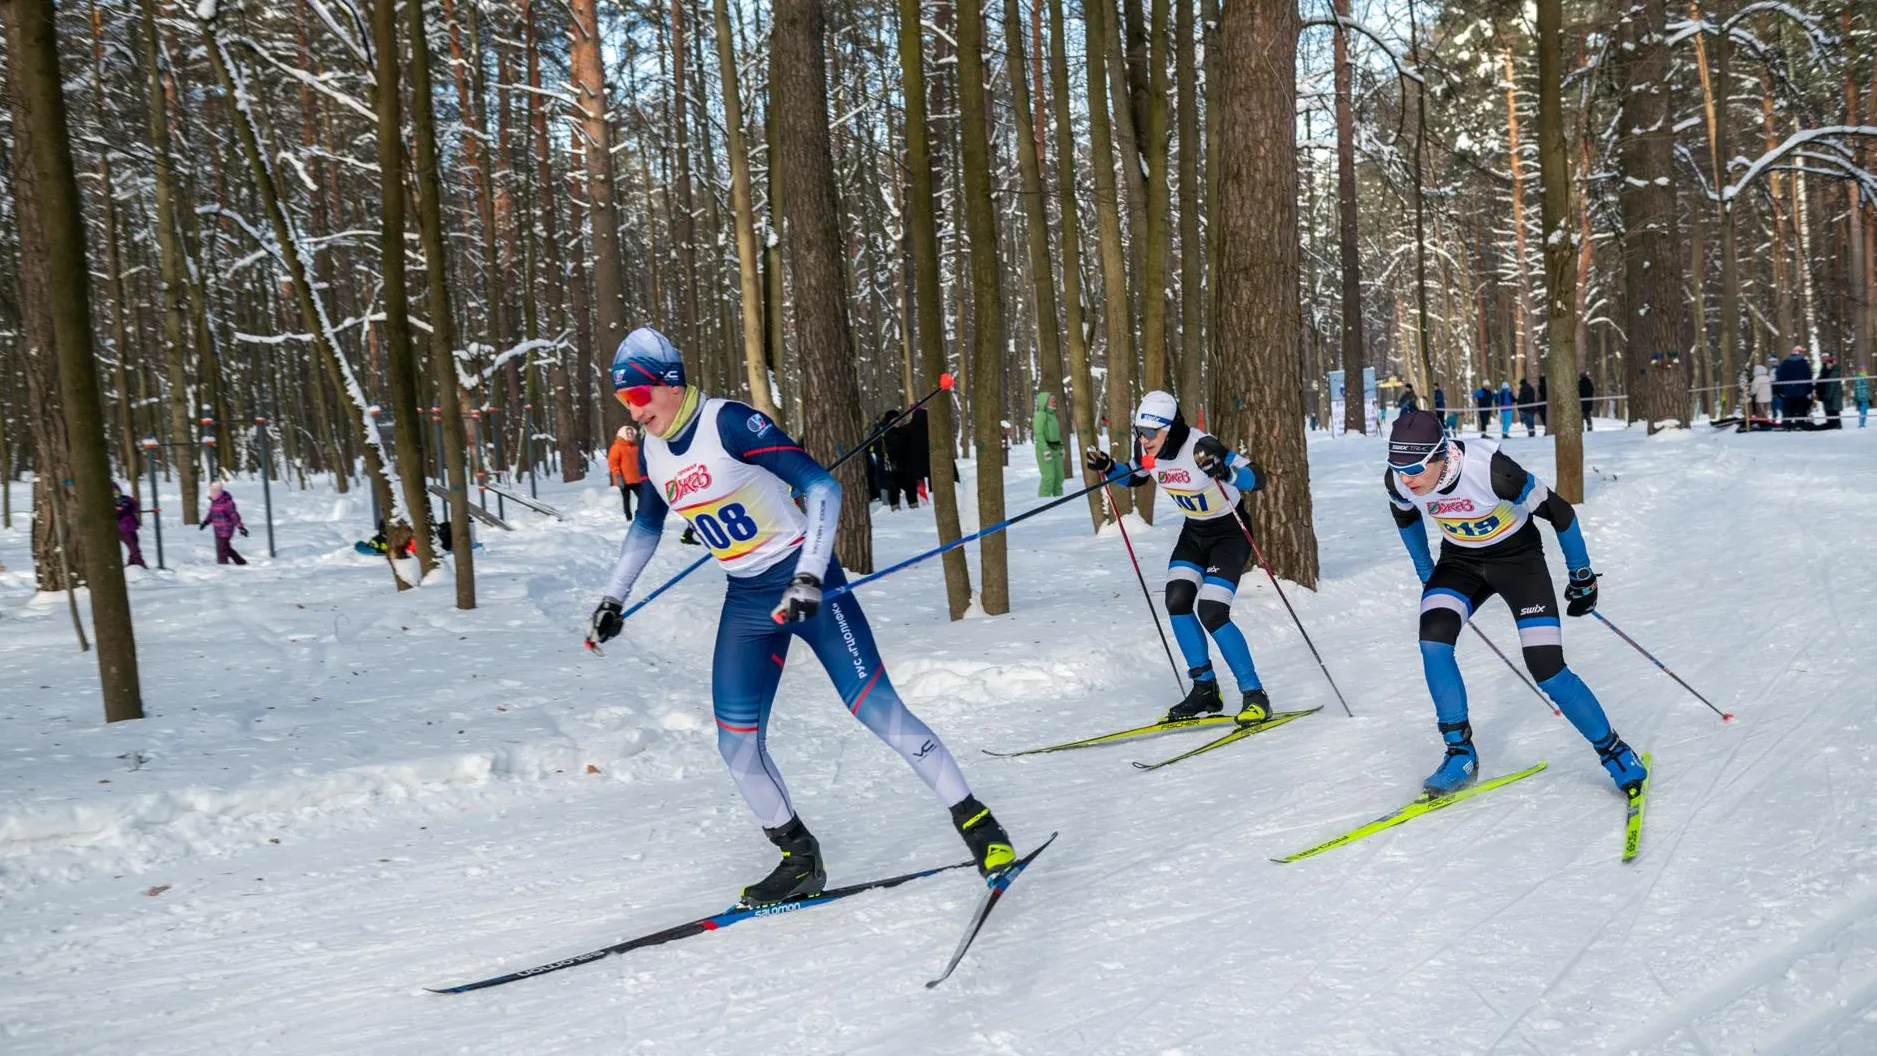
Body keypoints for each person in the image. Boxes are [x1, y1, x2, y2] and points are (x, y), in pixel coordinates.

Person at [586, 327, 1015, 906]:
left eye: (638, 394)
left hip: (807, 582)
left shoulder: (730, 423)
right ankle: (799, 858)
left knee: (877, 710)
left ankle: (981, 828)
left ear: (669, 384)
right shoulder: (651, 451)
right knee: (735, 745)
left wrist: (810, 572)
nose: (633, 409)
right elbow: (646, 526)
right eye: (622, 400)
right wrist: (614, 597)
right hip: (745, 600)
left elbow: (822, 486)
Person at [1382, 409, 1647, 799]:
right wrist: (1427, 573)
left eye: (1416, 467)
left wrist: (1582, 575)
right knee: (1433, 639)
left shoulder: (1491, 471)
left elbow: (1561, 513)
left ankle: (1614, 751)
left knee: (1547, 668)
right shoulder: (1399, 480)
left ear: (1441, 454)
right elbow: (1405, 518)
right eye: (1397, 467)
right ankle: (1460, 753)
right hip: (1460, 563)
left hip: (1519, 565)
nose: (1406, 478)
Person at [1084, 390, 1273, 726]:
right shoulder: (1148, 451)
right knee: (1177, 599)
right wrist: (1110, 468)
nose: (1144, 439)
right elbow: (1137, 475)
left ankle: (1255, 694)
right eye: (1139, 432)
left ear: (1169, 429)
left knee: (1212, 611)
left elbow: (1257, 478)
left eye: (1150, 433)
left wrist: (1227, 473)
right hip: (1195, 533)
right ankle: (1205, 690)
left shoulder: (1203, 447)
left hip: (1230, 533)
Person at [201, 481, 248, 565]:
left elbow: (234, 515)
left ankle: (223, 566)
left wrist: (241, 527)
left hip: (226, 529)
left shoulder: (227, 502)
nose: (214, 493)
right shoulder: (214, 503)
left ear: (220, 491)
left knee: (222, 549)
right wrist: (205, 522)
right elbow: (211, 514)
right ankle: (241, 562)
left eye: (216, 491)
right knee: (226, 548)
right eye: (212, 491)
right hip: (218, 529)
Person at [606, 424, 643, 518]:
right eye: (628, 433)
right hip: (623, 479)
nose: (630, 435)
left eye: (631, 433)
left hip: (636, 479)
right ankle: (628, 516)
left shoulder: (635, 448)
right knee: (626, 498)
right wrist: (618, 475)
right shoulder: (616, 447)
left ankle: (643, 514)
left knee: (643, 497)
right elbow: (613, 463)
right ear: (622, 434)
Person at [1032, 391, 1064, 497]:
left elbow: (1057, 435)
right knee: (1049, 477)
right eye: (1052, 401)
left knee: (1059, 478)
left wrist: (1061, 447)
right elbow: (1038, 434)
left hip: (1056, 450)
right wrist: (1045, 450)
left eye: (1055, 401)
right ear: (1044, 402)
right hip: (1044, 451)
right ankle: (1042, 503)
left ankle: (1059, 501)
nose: (1054, 403)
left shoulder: (1053, 417)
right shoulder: (1040, 416)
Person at [1774, 346, 1814, 426]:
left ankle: (1787, 422)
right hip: (1801, 391)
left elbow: (1780, 377)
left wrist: (1781, 390)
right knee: (1800, 408)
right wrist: (1809, 390)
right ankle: (1800, 422)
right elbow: (1808, 377)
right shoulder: (1804, 363)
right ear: (1799, 353)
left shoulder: (1785, 363)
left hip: (1788, 391)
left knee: (1788, 408)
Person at [113, 482, 147, 569]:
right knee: (133, 546)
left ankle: (132, 564)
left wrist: (129, 506)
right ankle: (139, 562)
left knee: (135, 542)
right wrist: (118, 510)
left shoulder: (126, 499)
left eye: (116, 492)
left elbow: (136, 505)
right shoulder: (109, 503)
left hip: (131, 526)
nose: (116, 494)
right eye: (113, 492)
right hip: (122, 528)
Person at [1815, 353, 1843, 429]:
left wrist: (1828, 395)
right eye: (1822, 357)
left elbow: (1832, 384)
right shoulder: (1824, 369)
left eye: (1826, 358)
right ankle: (1832, 424)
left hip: (1832, 394)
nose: (1824, 359)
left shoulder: (1833, 370)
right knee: (1829, 410)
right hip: (1827, 394)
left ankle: (1835, 425)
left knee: (1834, 410)